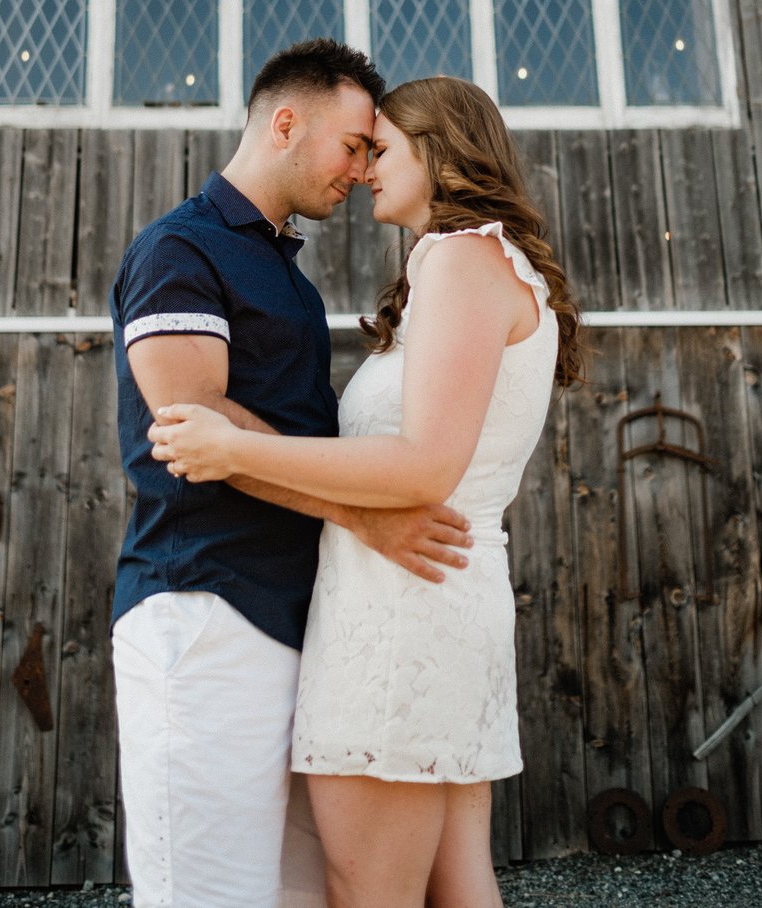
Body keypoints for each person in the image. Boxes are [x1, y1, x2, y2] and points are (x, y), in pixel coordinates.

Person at [150, 76, 585, 908]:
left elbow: (426, 467)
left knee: (369, 889)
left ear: (441, 151)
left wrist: (232, 445)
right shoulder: (478, 266)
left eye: (379, 149)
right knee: (455, 882)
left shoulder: (462, 257)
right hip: (439, 595)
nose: (362, 171)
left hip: (401, 614)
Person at [109, 42, 475, 908]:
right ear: (285, 124)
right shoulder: (180, 248)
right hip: (204, 609)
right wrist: (364, 518)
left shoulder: (284, 271)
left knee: (297, 894)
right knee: (209, 894)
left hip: (294, 618)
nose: (362, 167)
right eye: (355, 144)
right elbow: (194, 422)